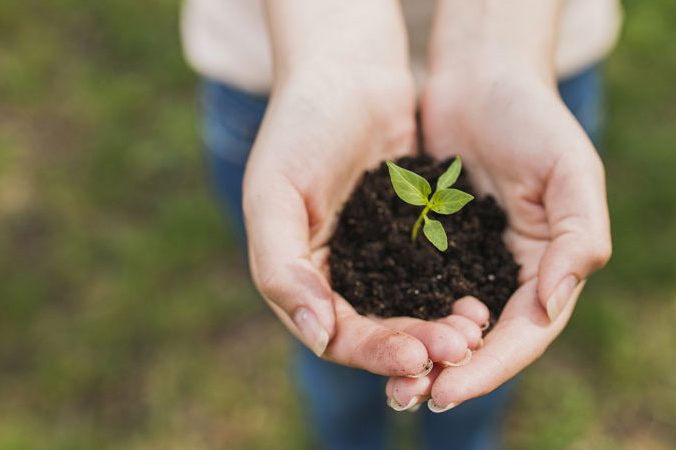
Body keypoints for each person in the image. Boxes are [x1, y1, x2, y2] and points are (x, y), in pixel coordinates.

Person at [182, 1, 618, 449]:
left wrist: (499, 50)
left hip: (533, 55)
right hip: (273, 70)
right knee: (327, 338)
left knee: (477, 362)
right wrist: (335, 55)